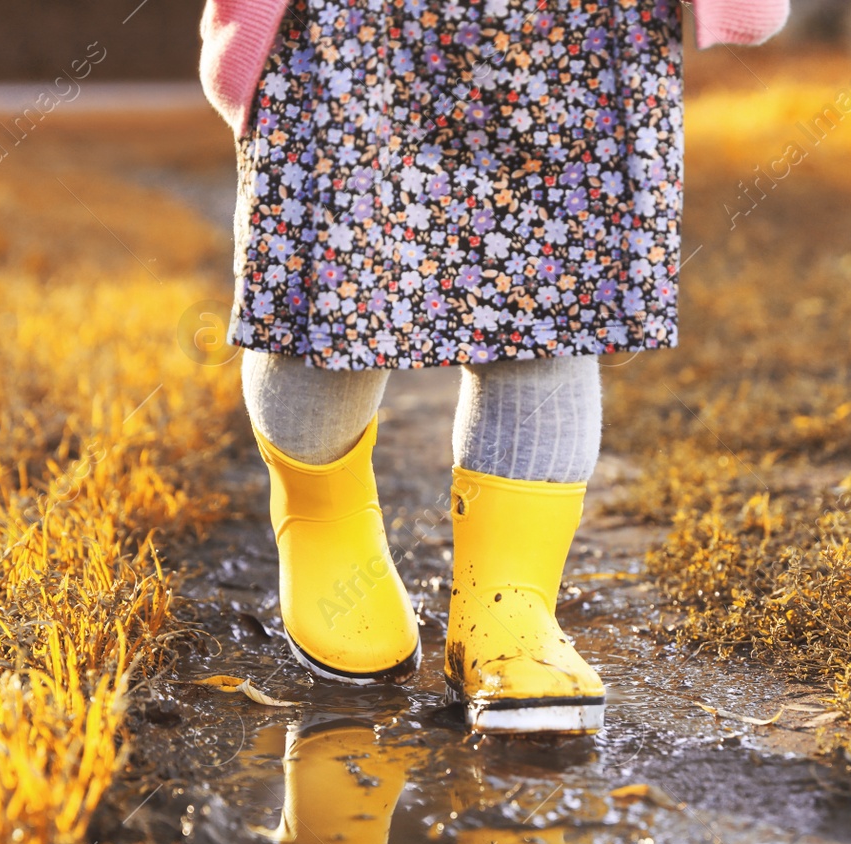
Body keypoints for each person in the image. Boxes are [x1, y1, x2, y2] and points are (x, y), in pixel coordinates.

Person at [200, 0, 789, 735]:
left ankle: (509, 600)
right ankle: (323, 514)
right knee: (329, 311)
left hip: (571, 34)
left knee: (548, 305)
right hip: (355, 28)